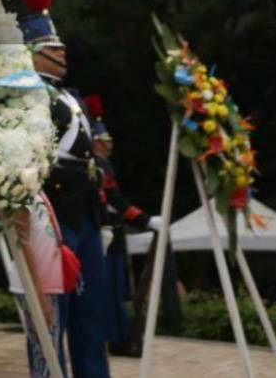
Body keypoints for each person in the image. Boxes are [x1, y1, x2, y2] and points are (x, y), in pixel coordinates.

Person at [19, 0, 111, 378]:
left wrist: (104, 216)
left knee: (92, 318)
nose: (62, 52)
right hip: (51, 212)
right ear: (34, 54)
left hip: (86, 212)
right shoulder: (23, 95)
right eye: (53, 48)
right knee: (51, 315)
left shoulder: (73, 97)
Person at [85, 97, 158, 356]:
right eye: (106, 140)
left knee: (115, 290)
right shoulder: (99, 164)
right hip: (106, 231)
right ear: (97, 142)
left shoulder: (104, 164)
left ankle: (117, 335)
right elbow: (115, 200)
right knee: (109, 290)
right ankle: (115, 337)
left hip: (112, 232)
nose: (111, 144)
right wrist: (144, 219)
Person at [6, 192, 68, 377]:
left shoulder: (39, 193)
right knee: (44, 353)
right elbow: (24, 245)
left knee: (47, 350)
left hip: (46, 284)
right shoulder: (21, 195)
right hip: (37, 286)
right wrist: (38, 295)